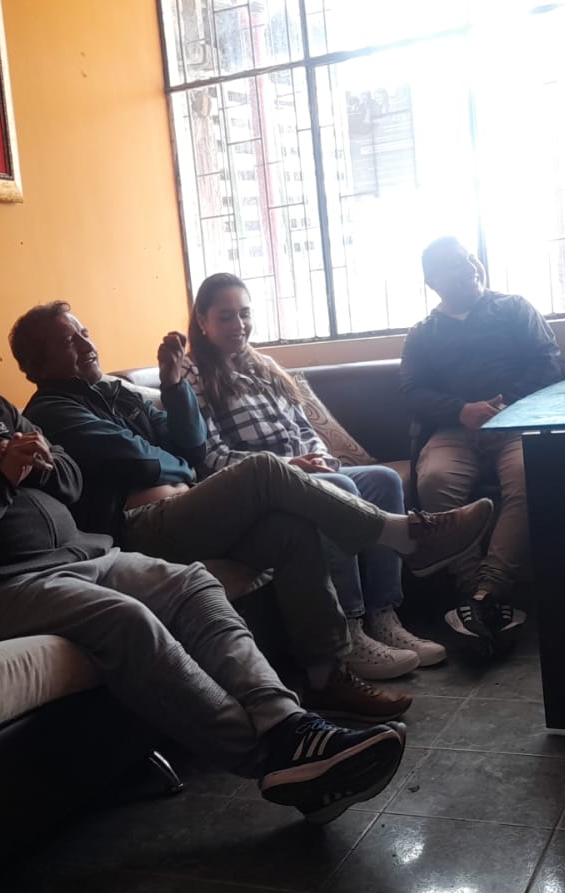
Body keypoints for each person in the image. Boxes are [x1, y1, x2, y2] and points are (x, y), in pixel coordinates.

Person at [0, 286, 410, 824]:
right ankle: (274, 757)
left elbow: (73, 481)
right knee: (126, 619)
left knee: (192, 584)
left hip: (76, 556)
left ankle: (288, 721)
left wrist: (43, 466)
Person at [11, 302, 494, 720]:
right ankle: (402, 536)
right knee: (264, 469)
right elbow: (142, 460)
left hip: (189, 511)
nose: (85, 344)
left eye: (84, 332)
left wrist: (174, 385)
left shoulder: (114, 394)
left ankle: (327, 677)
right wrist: (180, 461)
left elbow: (190, 442)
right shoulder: (52, 412)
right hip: (141, 529)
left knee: (290, 529)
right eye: (68, 341)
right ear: (37, 363)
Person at [185, 272, 448, 672]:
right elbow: (211, 456)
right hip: (266, 485)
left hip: (311, 472)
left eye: (245, 313)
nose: (239, 324)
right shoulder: (195, 376)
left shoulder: (264, 365)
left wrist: (320, 458)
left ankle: (384, 616)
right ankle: (350, 631)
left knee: (383, 480)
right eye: (225, 316)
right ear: (202, 322)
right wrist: (290, 467)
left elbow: (305, 430)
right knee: (340, 487)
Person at [402, 236, 565, 657]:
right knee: (434, 480)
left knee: (530, 476)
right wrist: (461, 411)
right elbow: (412, 392)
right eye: (454, 265)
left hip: (516, 422)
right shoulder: (422, 333)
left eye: (468, 259)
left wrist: (503, 407)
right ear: (431, 281)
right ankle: (476, 591)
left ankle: (486, 592)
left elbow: (548, 361)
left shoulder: (513, 308)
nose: (468, 267)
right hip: (454, 430)